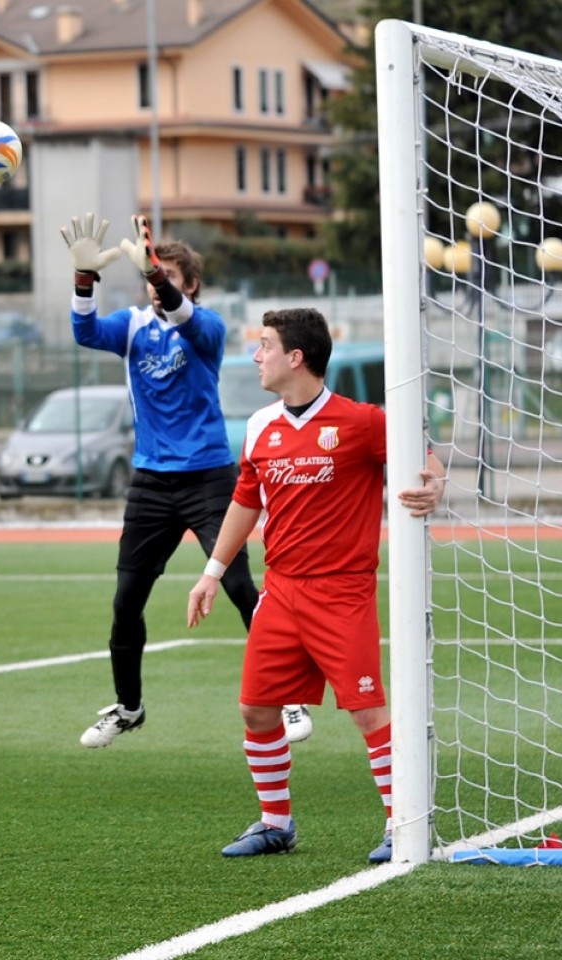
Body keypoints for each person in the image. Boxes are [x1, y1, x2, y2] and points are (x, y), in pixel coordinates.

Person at [187, 307, 445, 863]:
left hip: (342, 591)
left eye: (265, 346)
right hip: (279, 592)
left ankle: (402, 824)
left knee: (368, 710)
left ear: (295, 357)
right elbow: (244, 502)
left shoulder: (364, 421)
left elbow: (423, 457)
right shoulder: (259, 426)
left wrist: (435, 483)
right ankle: (276, 824)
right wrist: (211, 573)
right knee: (256, 709)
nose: (257, 356)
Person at [61, 213, 281, 747]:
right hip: (151, 483)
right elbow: (85, 330)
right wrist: (84, 278)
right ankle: (129, 707)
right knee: (125, 601)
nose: (156, 286)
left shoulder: (207, 327)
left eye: (166, 277)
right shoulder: (134, 326)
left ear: (192, 284)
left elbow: (184, 315)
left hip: (208, 477)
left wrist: (159, 275)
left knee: (238, 587)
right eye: (149, 276)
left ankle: (287, 695)